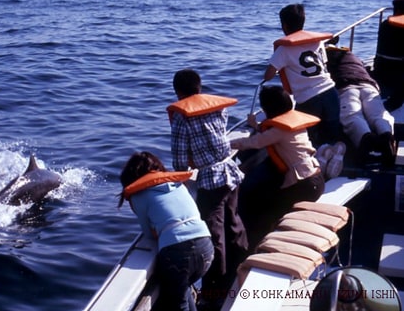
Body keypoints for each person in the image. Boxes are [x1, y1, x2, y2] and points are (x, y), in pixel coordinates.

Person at [168, 69, 248, 307]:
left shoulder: (182, 118)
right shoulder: (218, 107)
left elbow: (180, 162)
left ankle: (216, 288)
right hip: (230, 171)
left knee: (215, 234)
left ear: (177, 92)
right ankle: (242, 264)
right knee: (233, 222)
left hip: (210, 180)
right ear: (199, 88)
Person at [230, 85, 326, 251]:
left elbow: (253, 142)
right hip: (316, 179)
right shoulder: (293, 123)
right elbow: (273, 134)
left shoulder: (279, 130)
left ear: (268, 109)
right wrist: (258, 126)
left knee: (264, 214)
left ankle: (255, 250)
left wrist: (225, 144)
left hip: (302, 186)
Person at [118, 151, 214, 311]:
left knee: (178, 304)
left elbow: (149, 234)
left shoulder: (138, 197)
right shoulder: (178, 185)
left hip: (178, 254)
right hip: (206, 246)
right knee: (184, 292)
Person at [263, 3, 341, 147]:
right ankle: (334, 155)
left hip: (308, 100)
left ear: (284, 26)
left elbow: (268, 75)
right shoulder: (317, 42)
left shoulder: (284, 49)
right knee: (332, 135)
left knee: (308, 139)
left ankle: (317, 162)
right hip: (330, 92)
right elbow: (324, 62)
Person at [326, 45, 396, 166]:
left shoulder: (326, 61)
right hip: (370, 86)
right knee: (376, 115)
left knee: (352, 116)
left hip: (347, 88)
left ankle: (365, 138)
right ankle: (386, 135)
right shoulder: (351, 56)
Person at [373, 0, 404, 112]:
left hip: (380, 67)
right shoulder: (399, 27)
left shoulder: (385, 24)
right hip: (397, 71)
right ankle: (393, 104)